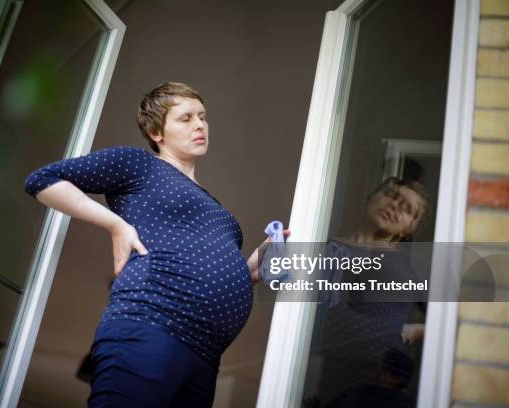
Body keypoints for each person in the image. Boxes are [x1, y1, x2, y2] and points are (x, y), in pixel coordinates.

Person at [24, 82, 281, 407]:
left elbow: (227, 273)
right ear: (157, 132)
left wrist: (251, 269)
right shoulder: (137, 164)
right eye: (185, 118)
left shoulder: (220, 212)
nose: (200, 125)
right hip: (150, 327)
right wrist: (114, 223)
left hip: (206, 358)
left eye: (202, 117)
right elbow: (41, 180)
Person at [303, 177, 428, 407]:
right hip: (325, 379)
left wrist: (417, 330)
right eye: (390, 195)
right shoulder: (324, 251)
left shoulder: (416, 267)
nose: (395, 206)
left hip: (387, 390)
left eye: (407, 209)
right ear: (370, 199)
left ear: (411, 227)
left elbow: (453, 326)